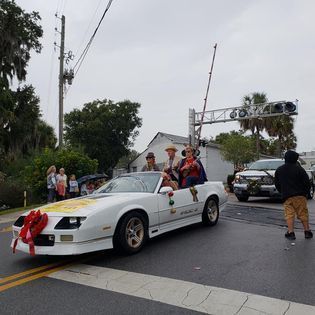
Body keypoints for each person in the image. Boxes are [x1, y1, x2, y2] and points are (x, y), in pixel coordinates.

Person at [275, 150, 313, 240]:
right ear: (295, 159)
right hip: (300, 195)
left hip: (287, 196)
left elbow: (277, 184)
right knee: (303, 213)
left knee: (289, 214)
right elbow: (307, 183)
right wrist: (305, 193)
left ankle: (291, 232)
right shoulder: (300, 169)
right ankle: (307, 231)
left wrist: (282, 192)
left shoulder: (279, 170)